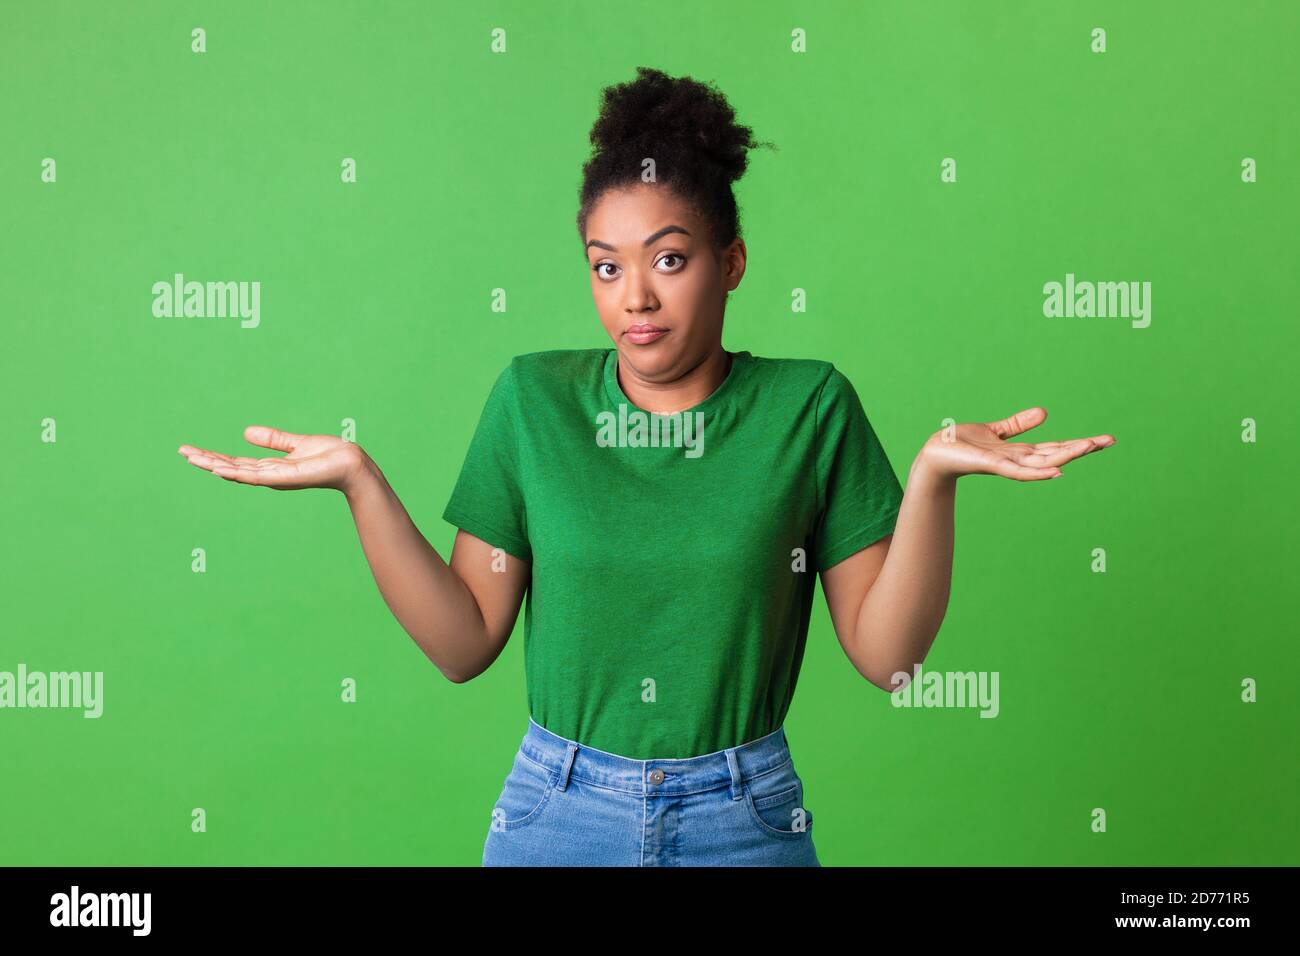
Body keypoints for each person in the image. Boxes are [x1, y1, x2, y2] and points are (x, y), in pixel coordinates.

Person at [177, 66, 1115, 866]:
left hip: (745, 815)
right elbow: (465, 644)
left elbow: (892, 661)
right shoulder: (533, 403)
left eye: (668, 259)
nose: (635, 297)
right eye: (604, 266)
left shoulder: (808, 408)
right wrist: (361, 486)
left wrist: (932, 485)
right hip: (557, 809)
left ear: (731, 261)